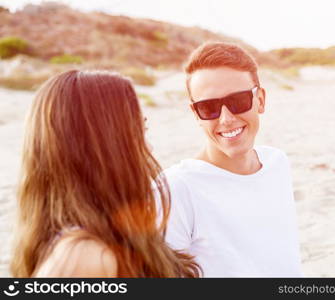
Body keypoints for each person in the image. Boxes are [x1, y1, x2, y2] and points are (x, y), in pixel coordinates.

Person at [10, 70, 200, 277]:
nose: (150, 147)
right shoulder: (84, 257)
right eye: (138, 131)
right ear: (103, 147)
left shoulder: (107, 233)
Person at [164, 42, 303, 277]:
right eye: (209, 107)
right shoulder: (176, 189)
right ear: (196, 114)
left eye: (238, 101)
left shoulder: (276, 163)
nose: (226, 119)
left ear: (260, 100)